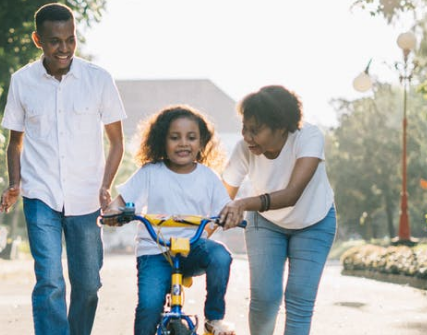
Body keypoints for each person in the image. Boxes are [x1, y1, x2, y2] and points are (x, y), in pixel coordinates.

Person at [0, 3, 126, 335]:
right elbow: (15, 141)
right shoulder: (22, 82)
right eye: (55, 41)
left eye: (71, 39)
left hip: (86, 197)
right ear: (38, 39)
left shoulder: (99, 79)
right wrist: (15, 183)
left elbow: (116, 142)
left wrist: (105, 185)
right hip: (40, 194)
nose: (65, 48)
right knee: (50, 280)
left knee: (88, 285)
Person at [102, 105, 235, 335]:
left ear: (201, 142)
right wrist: (113, 213)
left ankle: (213, 319)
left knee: (221, 255)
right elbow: (121, 202)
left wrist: (230, 215)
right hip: (155, 250)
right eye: (175, 137)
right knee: (149, 306)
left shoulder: (208, 177)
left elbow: (225, 208)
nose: (183, 143)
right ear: (162, 141)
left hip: (194, 249)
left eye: (191, 138)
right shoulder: (150, 172)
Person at [220, 85, 336, 335]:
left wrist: (242, 203)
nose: (247, 137)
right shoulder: (243, 149)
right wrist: (192, 240)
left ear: (281, 127)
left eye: (255, 130)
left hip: (314, 222)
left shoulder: (309, 138)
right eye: (245, 128)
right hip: (266, 224)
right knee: (265, 297)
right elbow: (221, 201)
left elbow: (292, 194)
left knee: (299, 299)